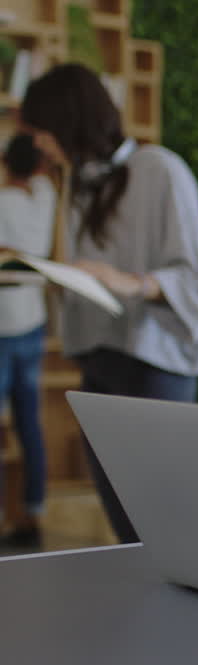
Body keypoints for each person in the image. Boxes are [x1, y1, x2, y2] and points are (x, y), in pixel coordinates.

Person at [20, 63, 198, 544]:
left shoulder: (161, 170)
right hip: (99, 362)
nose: (39, 145)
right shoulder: (80, 184)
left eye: (43, 133)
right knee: (128, 531)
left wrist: (131, 282)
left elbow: (197, 279)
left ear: (70, 123)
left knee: (168, 528)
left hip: (154, 365)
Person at [0, 134, 56, 545]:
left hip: (2, 323)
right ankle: (33, 513)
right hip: (34, 318)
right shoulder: (45, 198)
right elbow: (46, 175)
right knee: (29, 424)